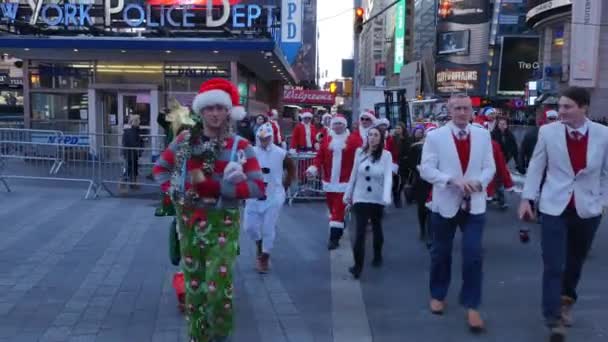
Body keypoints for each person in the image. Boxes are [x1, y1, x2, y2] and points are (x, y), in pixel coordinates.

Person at [153, 78, 265, 342]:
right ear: (201, 111)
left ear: (228, 111)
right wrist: (176, 192)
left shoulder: (241, 146)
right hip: (190, 221)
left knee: (218, 288)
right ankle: (197, 337)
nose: (215, 113)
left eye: (220, 108)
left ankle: (219, 336)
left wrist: (220, 189)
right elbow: (160, 169)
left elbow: (258, 186)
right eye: (209, 108)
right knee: (195, 289)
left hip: (223, 222)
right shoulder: (184, 141)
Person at [519, 87, 608, 342]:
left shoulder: (603, 135)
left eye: (567, 107)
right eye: (560, 107)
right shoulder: (548, 132)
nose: (561, 112)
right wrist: (527, 199)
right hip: (553, 207)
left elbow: (606, 172)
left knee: (574, 263)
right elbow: (536, 167)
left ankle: (567, 299)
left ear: (584, 108)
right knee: (554, 263)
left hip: (588, 209)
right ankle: (553, 317)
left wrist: (602, 200)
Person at [420, 94, 495, 332]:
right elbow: (427, 169)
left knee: (473, 254)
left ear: (472, 111)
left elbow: (489, 167)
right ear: (449, 111)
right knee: (440, 252)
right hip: (445, 203)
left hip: (475, 203)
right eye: (458, 108)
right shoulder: (435, 137)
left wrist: (479, 182)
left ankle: (472, 305)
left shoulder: (483, 135)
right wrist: (450, 180)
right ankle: (438, 294)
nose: (462, 112)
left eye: (466, 108)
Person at [244, 123, 295, 273]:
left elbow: (291, 168)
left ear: (271, 137)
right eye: (261, 138)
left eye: (266, 138)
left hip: (273, 196)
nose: (263, 141)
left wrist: (284, 186)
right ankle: (259, 243)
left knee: (268, 227)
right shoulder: (250, 152)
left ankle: (264, 256)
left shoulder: (280, 153)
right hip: (253, 197)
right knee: (249, 227)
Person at [343, 126, 393, 279]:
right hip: (361, 197)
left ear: (381, 138)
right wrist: (348, 194)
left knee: (377, 226)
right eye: (370, 134)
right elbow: (353, 174)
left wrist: (386, 196)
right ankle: (358, 266)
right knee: (360, 232)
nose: (372, 138)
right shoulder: (360, 152)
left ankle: (377, 255)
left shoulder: (386, 155)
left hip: (377, 198)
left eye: (376, 135)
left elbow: (388, 177)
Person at [306, 114, 354, 250]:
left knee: (337, 210)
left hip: (344, 182)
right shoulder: (327, 140)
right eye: (335, 124)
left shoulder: (352, 140)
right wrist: (313, 168)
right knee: (332, 209)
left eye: (340, 124)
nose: (337, 126)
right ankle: (339, 223)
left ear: (345, 125)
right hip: (328, 182)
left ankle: (334, 239)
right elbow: (319, 157)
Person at [408, 123, 436, 241]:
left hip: (435, 181)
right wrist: (418, 168)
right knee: (422, 207)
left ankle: (431, 231)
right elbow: (410, 163)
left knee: (434, 207)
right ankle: (423, 229)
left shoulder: (440, 147)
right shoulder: (416, 147)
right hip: (421, 181)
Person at [121, 115, 143, 191]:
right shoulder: (132, 130)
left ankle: (132, 184)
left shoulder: (134, 130)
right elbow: (133, 142)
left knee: (133, 168)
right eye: (138, 120)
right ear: (135, 121)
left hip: (131, 152)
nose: (140, 122)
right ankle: (124, 185)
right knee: (129, 168)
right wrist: (140, 143)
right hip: (130, 152)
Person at [392, 122, 411, 207]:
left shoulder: (407, 138)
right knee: (395, 182)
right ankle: (396, 197)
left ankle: (399, 195)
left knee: (403, 181)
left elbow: (408, 150)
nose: (397, 130)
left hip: (404, 163)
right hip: (395, 162)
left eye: (399, 128)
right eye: (396, 128)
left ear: (403, 129)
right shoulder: (393, 138)